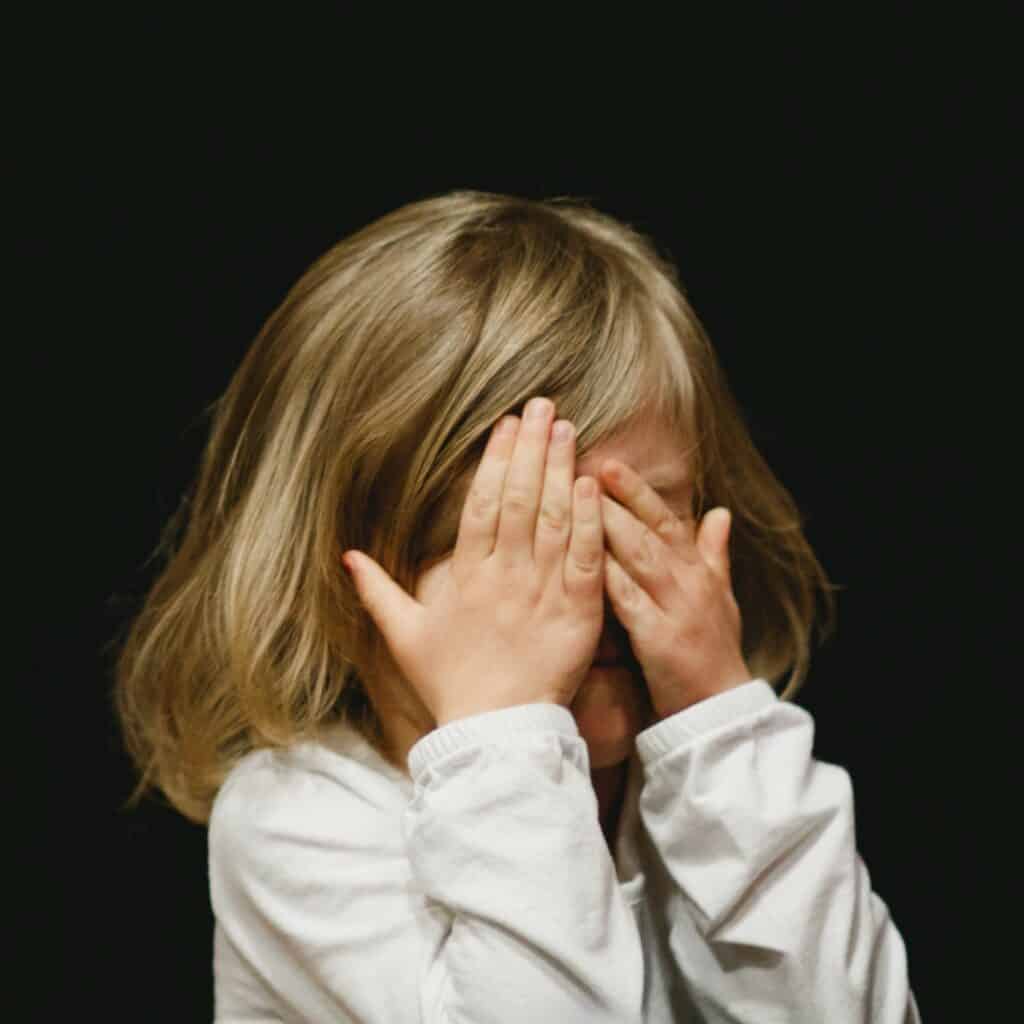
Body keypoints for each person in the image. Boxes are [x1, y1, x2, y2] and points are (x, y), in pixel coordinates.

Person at [112, 190, 921, 1021]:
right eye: (520, 538)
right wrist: (505, 730)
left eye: (639, 516)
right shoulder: (297, 821)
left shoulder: (712, 792)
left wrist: (722, 729)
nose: (587, 587)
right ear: (345, 572)